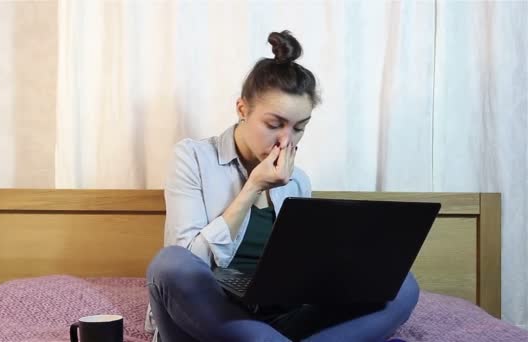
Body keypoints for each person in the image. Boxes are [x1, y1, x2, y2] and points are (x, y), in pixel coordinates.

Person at [145, 30, 419, 342]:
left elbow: (299, 274)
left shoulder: (298, 180)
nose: (286, 140)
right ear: (242, 109)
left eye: (299, 128)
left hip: (281, 317)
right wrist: (253, 188)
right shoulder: (192, 157)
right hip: (210, 317)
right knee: (169, 264)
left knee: (402, 285)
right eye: (274, 124)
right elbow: (189, 265)